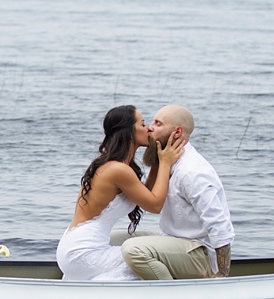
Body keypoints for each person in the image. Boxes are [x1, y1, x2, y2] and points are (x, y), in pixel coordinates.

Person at [56, 105, 184, 281]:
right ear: (129, 132)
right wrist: (165, 163)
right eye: (143, 124)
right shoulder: (118, 170)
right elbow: (155, 205)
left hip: (74, 247)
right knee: (151, 259)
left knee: (150, 247)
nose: (149, 129)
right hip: (82, 252)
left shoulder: (116, 166)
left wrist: (157, 161)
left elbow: (145, 196)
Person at [117, 105, 234, 279]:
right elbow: (148, 198)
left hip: (199, 253)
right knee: (115, 238)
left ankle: (170, 295)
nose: (150, 127)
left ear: (177, 132)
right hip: (175, 241)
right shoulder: (168, 160)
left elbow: (220, 225)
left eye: (158, 124)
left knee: (132, 249)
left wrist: (222, 275)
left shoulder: (192, 172)